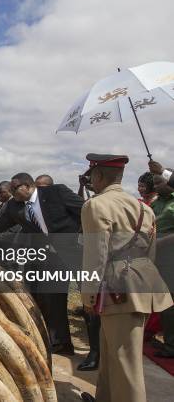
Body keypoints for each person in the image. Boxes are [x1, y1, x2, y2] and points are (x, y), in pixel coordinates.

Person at [79, 154, 172, 402]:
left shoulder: (96, 205)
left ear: (97, 175)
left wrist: (89, 295)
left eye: (92, 176)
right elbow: (149, 251)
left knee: (125, 361)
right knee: (112, 351)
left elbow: (95, 255)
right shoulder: (143, 207)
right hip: (140, 282)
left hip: (116, 285)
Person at [0, 172, 84, 355]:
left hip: (75, 254)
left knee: (88, 300)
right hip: (50, 259)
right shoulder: (15, 207)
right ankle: (61, 343)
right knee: (53, 301)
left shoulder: (57, 193)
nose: (11, 192)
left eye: (14, 188)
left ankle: (96, 351)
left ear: (28, 185)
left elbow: (86, 212)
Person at [149, 174, 174, 358]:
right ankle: (169, 342)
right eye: (155, 183)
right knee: (165, 304)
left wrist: (157, 243)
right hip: (158, 259)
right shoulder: (157, 203)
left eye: (160, 182)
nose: (156, 186)